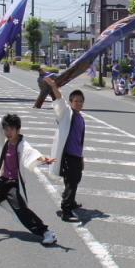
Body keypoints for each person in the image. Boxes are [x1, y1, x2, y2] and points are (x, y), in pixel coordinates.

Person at [0, 94, 57, 245]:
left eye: (11, 129)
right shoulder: (5, 139)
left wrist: (44, 159)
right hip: (2, 180)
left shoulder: (22, 144)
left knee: (20, 210)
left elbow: (32, 152)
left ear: (18, 129)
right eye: (6, 129)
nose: (8, 132)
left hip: (13, 184)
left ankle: (46, 232)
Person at [45, 77, 87, 222]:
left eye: (81, 101)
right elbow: (60, 100)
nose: (79, 103)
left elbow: (80, 140)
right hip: (68, 155)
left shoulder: (80, 118)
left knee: (75, 179)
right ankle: (66, 210)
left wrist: (81, 158)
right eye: (76, 101)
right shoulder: (66, 113)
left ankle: (71, 201)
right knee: (71, 182)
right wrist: (53, 86)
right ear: (71, 102)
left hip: (76, 155)